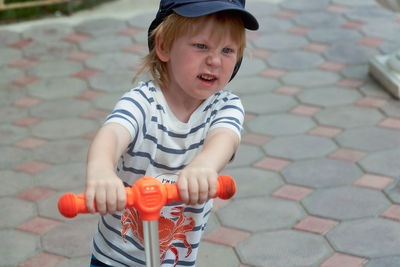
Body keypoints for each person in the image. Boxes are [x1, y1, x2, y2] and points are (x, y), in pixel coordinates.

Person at [85, 0, 259, 266]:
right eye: (201, 46)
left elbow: (224, 139)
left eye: (227, 50)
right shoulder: (142, 102)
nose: (214, 60)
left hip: (176, 259)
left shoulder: (225, 107)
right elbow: (112, 134)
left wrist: (204, 166)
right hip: (114, 258)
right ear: (164, 46)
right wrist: (100, 172)